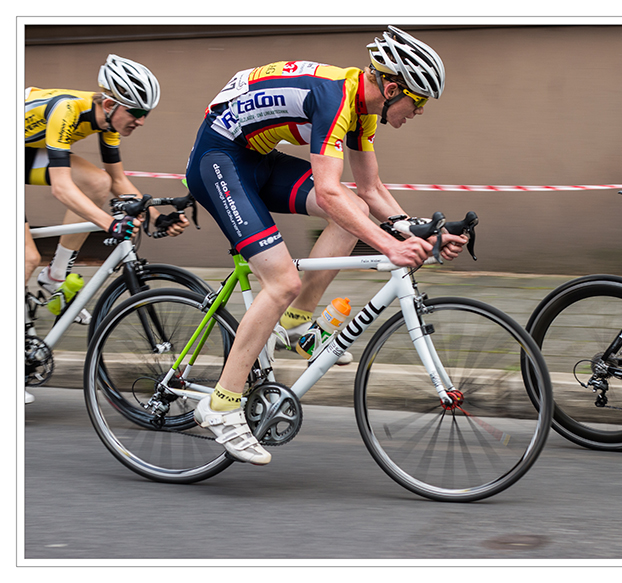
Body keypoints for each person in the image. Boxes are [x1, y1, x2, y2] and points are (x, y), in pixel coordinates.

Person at [185, 26, 467, 464]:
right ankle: (221, 405)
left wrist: (424, 232)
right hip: (218, 160)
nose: (421, 112)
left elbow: (371, 192)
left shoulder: (364, 107)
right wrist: (390, 246)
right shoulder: (335, 98)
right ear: (393, 88)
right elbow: (330, 192)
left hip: (255, 158)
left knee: (352, 212)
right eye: (420, 101)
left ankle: (297, 324)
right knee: (281, 282)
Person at [24, 54, 188, 403]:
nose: (142, 121)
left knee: (97, 182)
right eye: (137, 113)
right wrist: (109, 222)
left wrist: (157, 216)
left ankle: (54, 279)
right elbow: (61, 188)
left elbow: (116, 180)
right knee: (25, 255)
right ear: (111, 103)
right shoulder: (66, 111)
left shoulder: (109, 124)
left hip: (23, 150)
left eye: (146, 114)